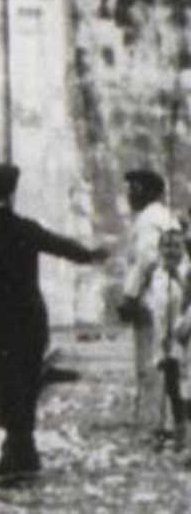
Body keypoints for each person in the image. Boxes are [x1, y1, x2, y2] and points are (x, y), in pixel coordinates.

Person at [0, 163, 108, 483]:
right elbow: (61, 246)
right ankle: (21, 452)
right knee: (27, 386)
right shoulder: (26, 229)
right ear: (10, 194)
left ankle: (20, 453)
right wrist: (91, 255)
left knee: (6, 388)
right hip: (31, 321)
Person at [120, 168, 178, 432]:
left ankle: (156, 421)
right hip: (168, 290)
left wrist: (129, 295)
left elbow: (146, 259)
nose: (131, 195)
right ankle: (167, 419)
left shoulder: (148, 220)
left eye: (136, 189)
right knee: (166, 355)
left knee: (150, 360)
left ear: (151, 192)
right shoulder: (165, 216)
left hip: (153, 294)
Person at [144, 225, 191, 450]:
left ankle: (183, 434)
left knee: (182, 387)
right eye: (166, 246)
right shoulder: (157, 275)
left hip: (183, 337)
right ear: (159, 248)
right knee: (168, 385)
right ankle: (165, 429)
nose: (171, 251)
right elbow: (156, 308)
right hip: (164, 338)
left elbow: (185, 305)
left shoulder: (185, 273)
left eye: (176, 246)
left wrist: (180, 279)